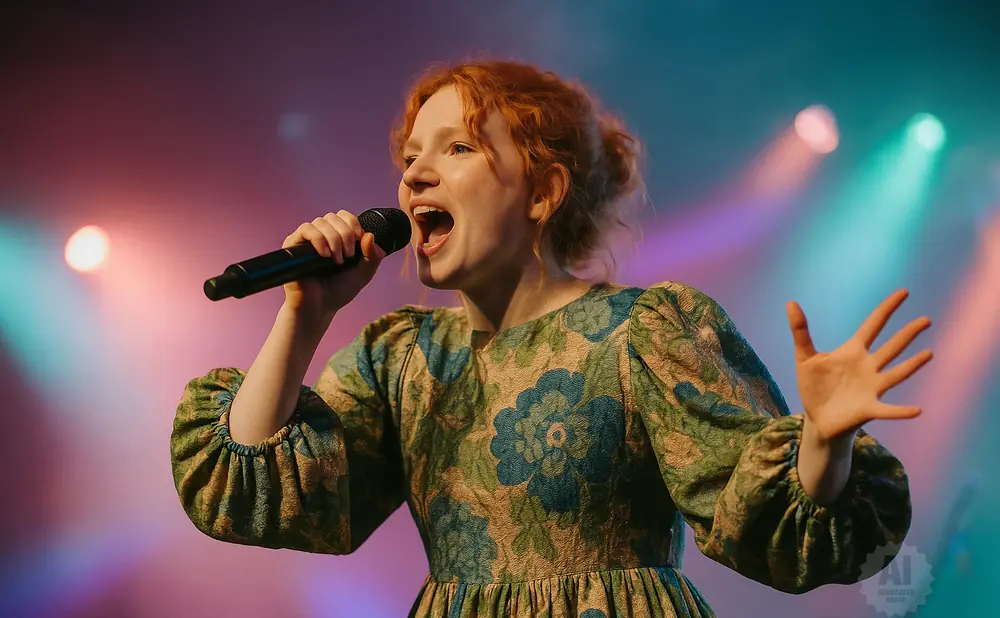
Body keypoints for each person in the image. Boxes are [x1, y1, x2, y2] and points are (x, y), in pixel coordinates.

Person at [170, 60, 933, 617]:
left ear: (542, 190)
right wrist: (303, 315)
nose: (416, 176)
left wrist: (823, 446)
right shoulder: (403, 358)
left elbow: (757, 521)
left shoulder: (643, 329)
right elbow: (259, 495)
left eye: (457, 148)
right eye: (411, 158)